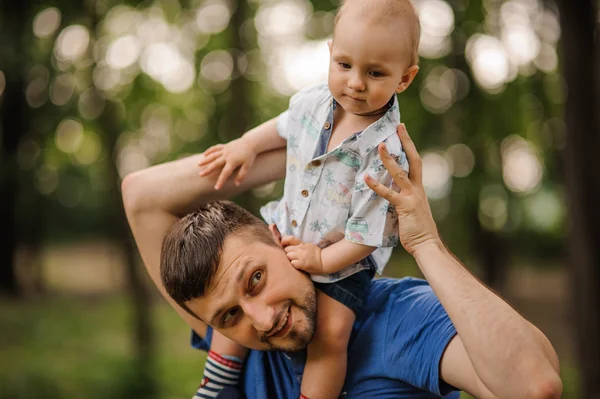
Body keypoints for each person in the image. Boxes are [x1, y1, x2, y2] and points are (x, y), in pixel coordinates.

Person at [122, 124, 563, 399]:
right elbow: (140, 194)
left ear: (281, 237)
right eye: (230, 315)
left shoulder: (399, 318)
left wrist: (425, 240)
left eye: (256, 279)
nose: (259, 320)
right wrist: (295, 160)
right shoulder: (238, 347)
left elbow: (533, 385)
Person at [196, 0, 420, 396]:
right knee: (239, 294)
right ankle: (218, 384)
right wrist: (246, 145)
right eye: (345, 65)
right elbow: (283, 126)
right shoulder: (313, 101)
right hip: (283, 229)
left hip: (342, 261)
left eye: (376, 73)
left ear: (404, 78)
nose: (356, 83)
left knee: (330, 336)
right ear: (331, 53)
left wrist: (321, 260)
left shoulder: (387, 152)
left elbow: (365, 236)